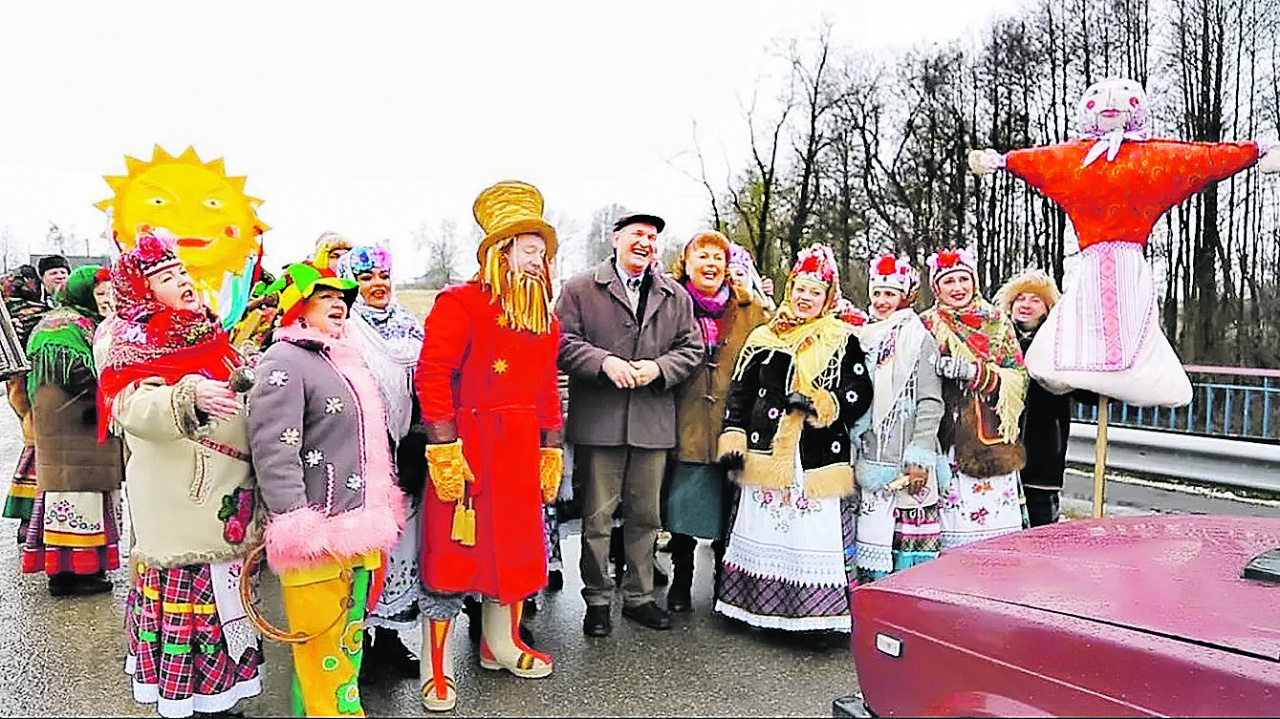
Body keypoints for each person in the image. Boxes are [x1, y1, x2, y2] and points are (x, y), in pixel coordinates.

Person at [414, 180, 564, 711]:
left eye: (544, 253)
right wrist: (443, 447)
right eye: (529, 251)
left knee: (518, 553)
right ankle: (437, 667)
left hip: (521, 451)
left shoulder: (547, 319)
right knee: (454, 557)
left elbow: (548, 386)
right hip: (471, 446)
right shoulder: (459, 303)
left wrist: (552, 447)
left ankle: (500, 644)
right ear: (501, 251)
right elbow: (432, 375)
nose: (538, 262)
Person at [99, 235, 262, 718]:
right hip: (181, 507)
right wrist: (186, 398)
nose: (185, 283)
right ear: (142, 291)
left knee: (231, 607)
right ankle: (189, 702)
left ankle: (224, 697)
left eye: (185, 274)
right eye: (168, 278)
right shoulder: (126, 338)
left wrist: (245, 375)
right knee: (191, 615)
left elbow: (231, 389)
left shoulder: (207, 331)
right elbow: (130, 407)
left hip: (231, 497)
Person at [248, 261, 407, 717]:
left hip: (357, 528)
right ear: (299, 308)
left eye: (343, 298)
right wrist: (296, 522)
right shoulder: (285, 360)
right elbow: (273, 447)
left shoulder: (341, 356)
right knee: (323, 653)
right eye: (325, 298)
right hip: (316, 536)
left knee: (344, 648)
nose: (340, 304)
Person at [714, 243, 873, 643]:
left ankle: (813, 617)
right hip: (765, 449)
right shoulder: (764, 337)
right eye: (800, 288)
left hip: (815, 452)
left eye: (814, 291)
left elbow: (860, 389)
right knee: (765, 527)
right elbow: (740, 391)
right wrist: (732, 432)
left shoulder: (842, 337)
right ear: (790, 289)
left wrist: (825, 403)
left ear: (827, 298)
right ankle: (754, 608)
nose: (805, 297)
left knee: (810, 533)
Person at [557, 209, 703, 637]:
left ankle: (639, 596)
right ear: (615, 239)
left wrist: (658, 369)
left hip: (653, 421)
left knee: (645, 516)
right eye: (637, 234)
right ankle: (597, 600)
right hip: (600, 421)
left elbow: (691, 348)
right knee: (597, 519)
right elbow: (563, 343)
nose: (646, 243)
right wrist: (604, 363)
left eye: (653, 237)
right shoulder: (581, 288)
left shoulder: (675, 295)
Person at [333, 244, 426, 679]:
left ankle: (390, 639)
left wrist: (420, 437)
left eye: (383, 278)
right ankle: (360, 642)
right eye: (367, 278)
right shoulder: (344, 331)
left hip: (406, 449)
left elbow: (427, 383)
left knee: (401, 545)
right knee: (364, 549)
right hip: (362, 454)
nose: (377, 285)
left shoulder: (411, 325)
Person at [665, 230, 770, 613]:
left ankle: (725, 582)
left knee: (731, 504)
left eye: (718, 258)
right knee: (684, 503)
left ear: (728, 266)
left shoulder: (749, 309)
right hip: (686, 418)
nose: (711, 264)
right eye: (702, 256)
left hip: (734, 421)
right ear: (686, 263)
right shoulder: (672, 304)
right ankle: (681, 577)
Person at [22, 265, 124, 596]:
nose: (107, 299)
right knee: (79, 501)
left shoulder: (61, 322)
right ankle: (79, 574)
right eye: (100, 293)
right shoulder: (69, 328)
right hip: (76, 427)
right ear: (82, 294)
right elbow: (81, 376)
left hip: (62, 431)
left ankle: (66, 573)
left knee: (67, 501)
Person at [920, 247, 1029, 548]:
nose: (957, 288)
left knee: (993, 535)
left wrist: (976, 373)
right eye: (948, 281)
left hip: (987, 438)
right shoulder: (925, 325)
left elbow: (1018, 376)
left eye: (963, 279)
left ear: (974, 281)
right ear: (936, 288)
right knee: (949, 525)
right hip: (943, 436)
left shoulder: (996, 322)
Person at [851, 254, 944, 582]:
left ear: (904, 297)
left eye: (889, 294)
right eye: (877, 293)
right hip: (868, 454)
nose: (881, 301)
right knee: (870, 542)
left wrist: (920, 454)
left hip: (905, 457)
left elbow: (931, 402)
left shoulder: (920, 339)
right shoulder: (861, 336)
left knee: (906, 550)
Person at [995, 269, 1094, 527]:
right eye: (1020, 298)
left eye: (1035, 299)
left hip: (1042, 453)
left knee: (1041, 531)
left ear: (1048, 307)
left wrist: (1108, 384)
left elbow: (1085, 391)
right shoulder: (994, 340)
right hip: (995, 451)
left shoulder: (1062, 346)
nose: (1026, 305)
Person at [2, 265, 51, 543]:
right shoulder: (40, 315)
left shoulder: (5, 314)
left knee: (31, 451)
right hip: (39, 392)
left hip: (18, 393)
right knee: (40, 457)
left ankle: (26, 524)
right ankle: (34, 525)